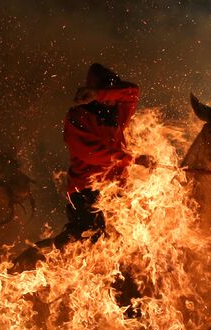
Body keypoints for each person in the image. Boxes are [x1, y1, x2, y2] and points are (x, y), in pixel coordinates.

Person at [13, 63, 152, 269]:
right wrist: (130, 159)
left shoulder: (117, 113)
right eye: (108, 92)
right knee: (89, 237)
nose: (114, 98)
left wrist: (100, 94)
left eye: (112, 92)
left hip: (116, 191)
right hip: (86, 190)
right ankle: (50, 265)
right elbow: (90, 153)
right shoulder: (77, 116)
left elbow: (133, 91)